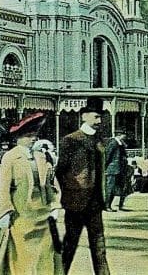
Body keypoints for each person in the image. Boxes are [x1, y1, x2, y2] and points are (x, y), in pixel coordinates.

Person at [0, 112, 62, 274]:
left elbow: (51, 184)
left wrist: (55, 206)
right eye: (29, 135)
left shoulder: (41, 157)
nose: (33, 138)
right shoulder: (10, 157)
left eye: (35, 135)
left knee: (45, 254)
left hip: (43, 215)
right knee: (22, 257)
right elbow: (4, 188)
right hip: (21, 216)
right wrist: (5, 212)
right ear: (18, 137)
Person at [55, 97, 110, 275]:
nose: (99, 121)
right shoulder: (70, 140)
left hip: (95, 203)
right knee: (70, 244)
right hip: (75, 203)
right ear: (84, 116)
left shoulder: (100, 141)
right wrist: (69, 193)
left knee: (99, 246)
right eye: (96, 117)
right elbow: (60, 171)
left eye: (101, 117)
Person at [104, 130, 129, 211]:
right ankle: (107, 206)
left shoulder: (120, 143)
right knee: (110, 188)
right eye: (124, 135)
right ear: (119, 135)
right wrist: (105, 166)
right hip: (112, 169)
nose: (125, 137)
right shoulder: (113, 143)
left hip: (120, 169)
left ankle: (119, 205)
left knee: (121, 188)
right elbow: (108, 155)